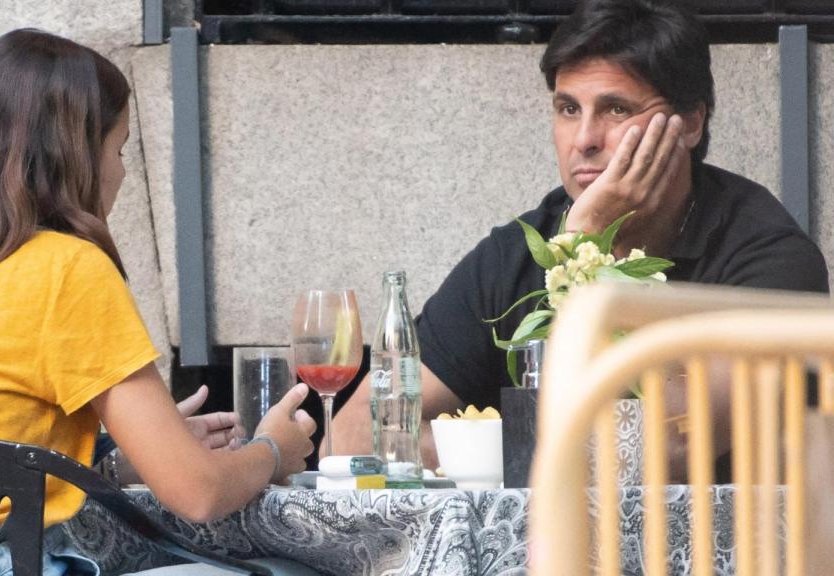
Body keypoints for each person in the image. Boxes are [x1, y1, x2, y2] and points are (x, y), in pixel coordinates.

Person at [0, 29, 317, 575]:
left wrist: (125, 455)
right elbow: (197, 495)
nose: (122, 172)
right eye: (119, 149)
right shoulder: (67, 268)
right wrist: (271, 451)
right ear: (78, 153)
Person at [332, 0, 829, 469]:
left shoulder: (769, 257)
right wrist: (516, 448)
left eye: (616, 110)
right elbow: (360, 432)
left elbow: (665, 450)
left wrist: (582, 248)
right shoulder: (517, 251)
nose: (585, 139)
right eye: (568, 109)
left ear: (691, 122)